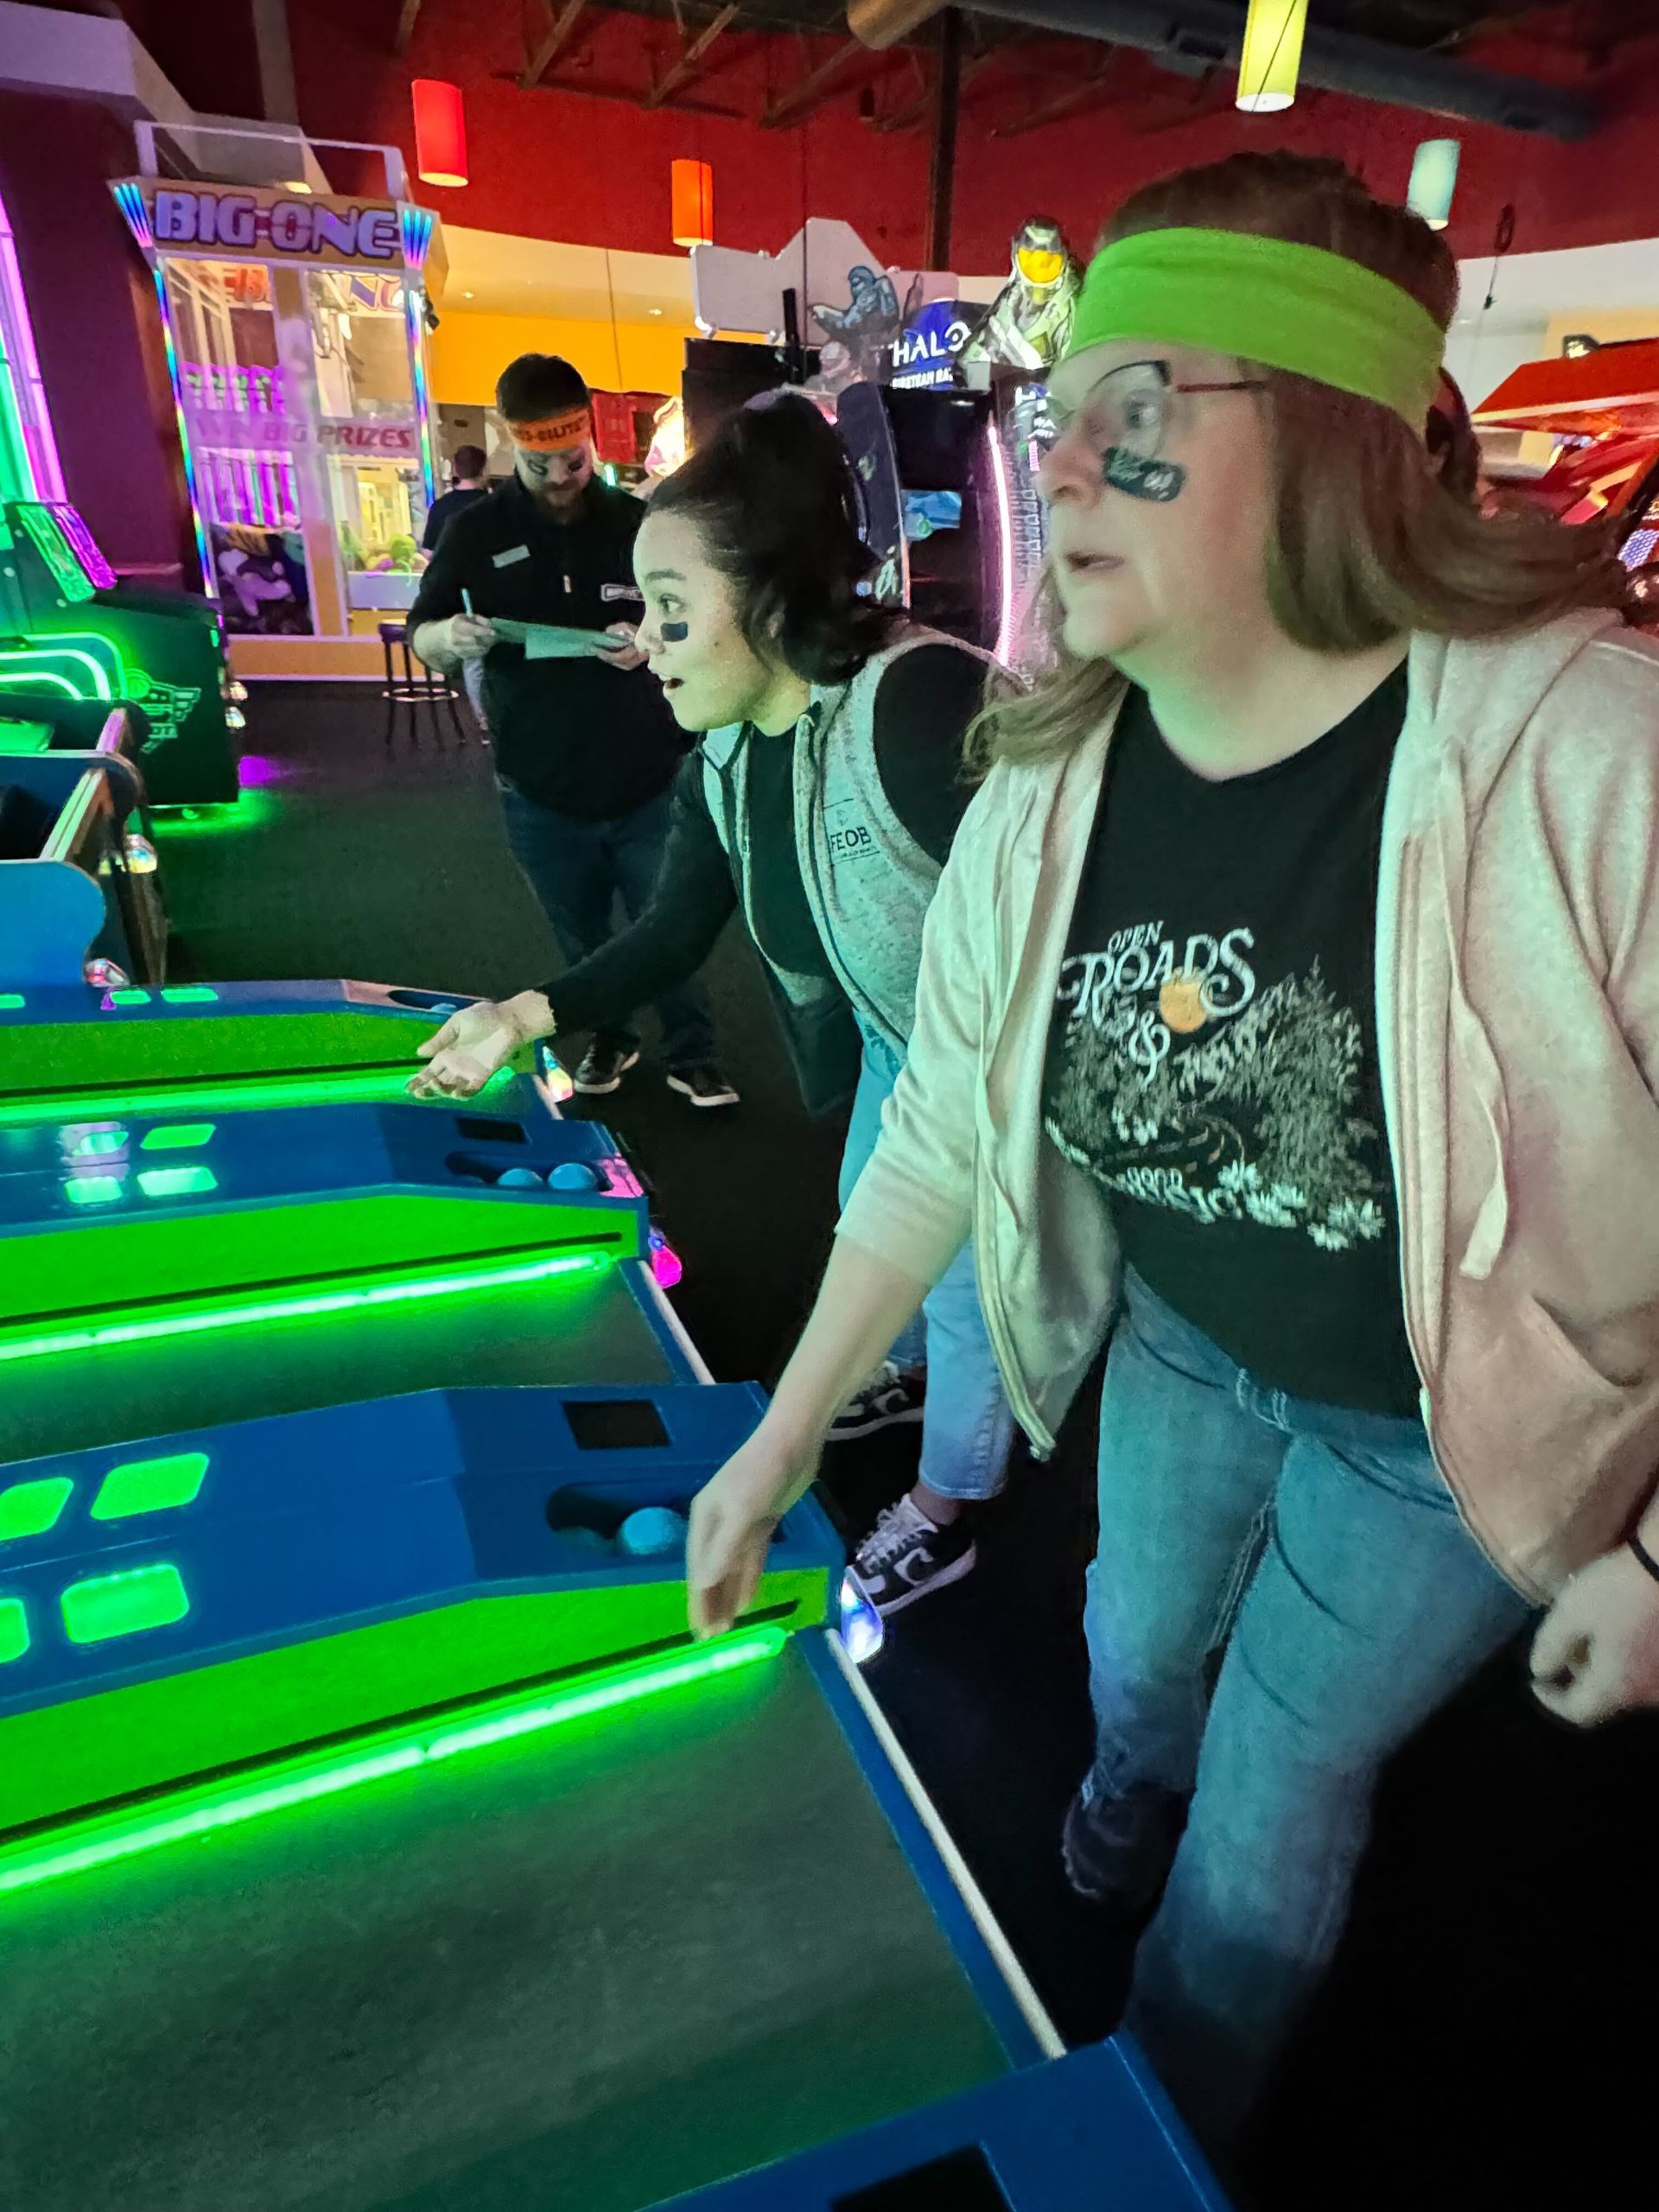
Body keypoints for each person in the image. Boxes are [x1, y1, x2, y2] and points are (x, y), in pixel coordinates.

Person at [680, 153, 1659, 2154]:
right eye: (1061, 412)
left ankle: (1148, 2121)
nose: (1054, 460)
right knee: (1132, 1646)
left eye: (1137, 416)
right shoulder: (1051, 762)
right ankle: (1115, 1803)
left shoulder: (1591, 761)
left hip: (1450, 1427)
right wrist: (780, 1430)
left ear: (1323, 441)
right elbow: (945, 1113)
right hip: (1187, 1337)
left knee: (1279, 1777)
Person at [410, 391, 1018, 1612]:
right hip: (908, 1044)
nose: (652, 643)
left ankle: (952, 1502)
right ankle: (897, 1367)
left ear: (775, 603)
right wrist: (521, 1015)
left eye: (674, 613)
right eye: (648, 614)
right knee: (867, 1216)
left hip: (1008, 1065)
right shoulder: (731, 757)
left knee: (964, 1288)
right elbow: (673, 929)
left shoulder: (919, 709)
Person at [409, 354, 734, 1106]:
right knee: (581, 932)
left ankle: (695, 1052)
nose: (561, 475)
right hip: (539, 783)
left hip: (649, 772)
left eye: (575, 457)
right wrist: (448, 639)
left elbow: (689, 616)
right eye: (541, 460)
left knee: (668, 923)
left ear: (592, 438)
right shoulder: (476, 528)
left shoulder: (636, 522)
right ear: (507, 443)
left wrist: (651, 634)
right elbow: (421, 631)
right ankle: (611, 1038)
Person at [421, 443, 490, 552]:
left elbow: (429, 552)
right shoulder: (496, 505)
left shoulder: (440, 506)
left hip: (451, 568)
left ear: (455, 470)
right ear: (483, 470)